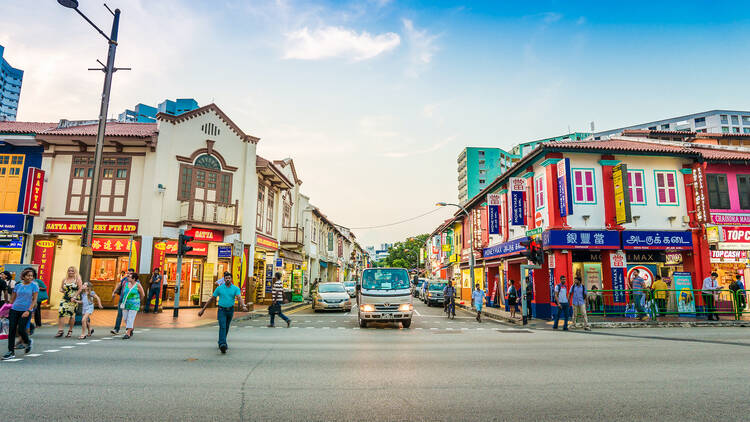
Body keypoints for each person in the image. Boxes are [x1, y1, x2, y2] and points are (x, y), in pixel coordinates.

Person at [198, 271, 248, 354]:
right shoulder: (219, 288)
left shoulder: (235, 288)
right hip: (221, 310)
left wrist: (243, 306)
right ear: (224, 279)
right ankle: (222, 344)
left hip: (230, 310)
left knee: (227, 327)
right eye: (226, 278)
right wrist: (203, 309)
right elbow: (211, 299)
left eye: (229, 278)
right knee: (223, 327)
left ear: (231, 279)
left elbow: (239, 297)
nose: (228, 279)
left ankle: (221, 341)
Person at [3, 268, 38, 360]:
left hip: (26, 310)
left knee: (22, 329)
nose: (30, 277)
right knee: (12, 330)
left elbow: (34, 300)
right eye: (28, 275)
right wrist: (6, 310)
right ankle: (10, 351)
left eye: (31, 276)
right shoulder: (18, 285)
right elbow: (12, 299)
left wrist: (29, 310)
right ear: (23, 276)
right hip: (14, 309)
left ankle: (28, 341)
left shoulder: (34, 286)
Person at [55, 266, 82, 338]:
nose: (70, 272)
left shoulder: (77, 279)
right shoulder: (64, 279)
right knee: (61, 312)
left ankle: (70, 330)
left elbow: (80, 289)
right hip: (65, 298)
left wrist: (75, 296)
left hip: (73, 299)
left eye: (72, 271)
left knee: (71, 315)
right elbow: (61, 288)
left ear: (75, 272)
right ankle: (60, 330)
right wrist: (61, 290)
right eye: (69, 271)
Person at [120, 273, 145, 339]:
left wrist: (138, 300)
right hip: (125, 303)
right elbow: (123, 293)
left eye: (129, 277)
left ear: (134, 278)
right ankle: (131, 328)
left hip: (134, 304)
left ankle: (127, 333)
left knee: (130, 318)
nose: (127, 278)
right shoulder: (126, 284)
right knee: (125, 318)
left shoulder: (138, 285)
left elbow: (143, 294)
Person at [111, 269, 135, 335]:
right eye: (128, 273)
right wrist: (114, 292)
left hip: (130, 302)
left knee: (128, 317)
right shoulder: (124, 279)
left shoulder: (135, 281)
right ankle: (116, 329)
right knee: (119, 314)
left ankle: (129, 329)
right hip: (122, 300)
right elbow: (119, 285)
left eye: (130, 273)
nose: (128, 275)